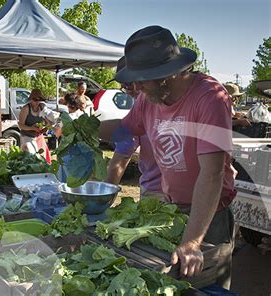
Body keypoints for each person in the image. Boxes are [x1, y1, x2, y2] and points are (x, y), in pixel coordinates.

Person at [101, 26, 236, 289]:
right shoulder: (147, 99)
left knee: (207, 284)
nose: (135, 87)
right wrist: (84, 126)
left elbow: (213, 173)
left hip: (210, 213)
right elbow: (126, 129)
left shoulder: (210, 98)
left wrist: (192, 241)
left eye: (141, 79)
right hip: (171, 209)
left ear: (166, 75)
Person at [106, 58, 164, 200]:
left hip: (159, 193)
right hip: (154, 188)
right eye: (123, 85)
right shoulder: (140, 106)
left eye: (127, 84)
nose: (128, 89)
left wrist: (104, 199)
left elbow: (121, 157)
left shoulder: (147, 105)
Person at [18, 89, 52, 162]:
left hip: (39, 137)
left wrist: (46, 128)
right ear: (31, 99)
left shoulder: (42, 107)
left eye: (39, 99)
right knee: (31, 157)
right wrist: (32, 128)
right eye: (35, 100)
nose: (37, 102)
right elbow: (20, 125)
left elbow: (48, 122)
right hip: (27, 137)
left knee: (43, 159)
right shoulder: (26, 108)